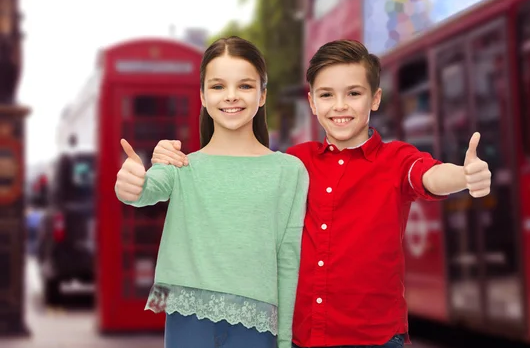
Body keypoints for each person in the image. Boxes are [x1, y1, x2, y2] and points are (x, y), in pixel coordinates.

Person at [150, 39, 492, 348]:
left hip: (374, 339)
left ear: (375, 98)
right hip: (304, 338)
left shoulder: (396, 159)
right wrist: (170, 157)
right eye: (327, 95)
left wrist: (463, 175)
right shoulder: (294, 162)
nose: (340, 106)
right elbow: (237, 184)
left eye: (354, 94)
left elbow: (429, 176)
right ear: (312, 102)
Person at [114, 36, 309, 348]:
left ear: (262, 96)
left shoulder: (290, 171)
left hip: (258, 327)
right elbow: (145, 190)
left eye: (245, 86)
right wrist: (131, 183)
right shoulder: (179, 164)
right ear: (203, 96)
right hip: (187, 321)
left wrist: (285, 341)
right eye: (218, 86)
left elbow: (288, 259)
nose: (231, 96)